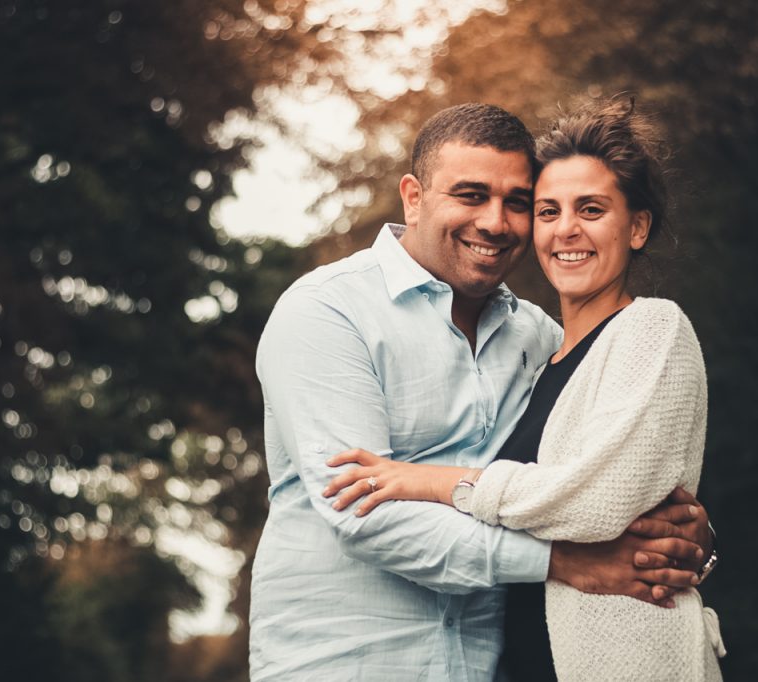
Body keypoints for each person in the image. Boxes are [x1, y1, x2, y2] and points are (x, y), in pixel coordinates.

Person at [251, 102, 714, 681]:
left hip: (490, 664)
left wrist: (690, 533)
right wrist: (561, 562)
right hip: (351, 662)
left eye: (517, 202)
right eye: (470, 195)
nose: (495, 222)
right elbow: (365, 513)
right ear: (414, 197)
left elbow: (596, 483)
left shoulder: (540, 338)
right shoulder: (327, 313)